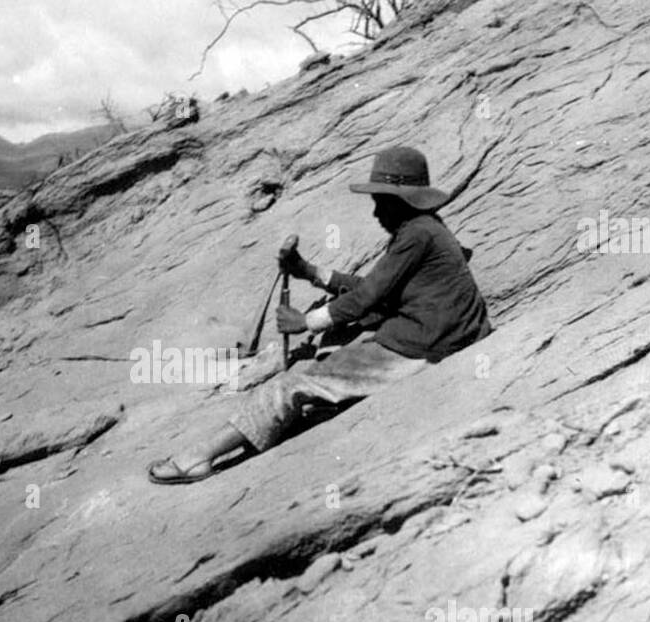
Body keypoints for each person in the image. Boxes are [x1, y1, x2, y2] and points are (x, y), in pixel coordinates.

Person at [148, 146, 493, 484]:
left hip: (423, 347)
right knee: (337, 348)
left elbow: (366, 298)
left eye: (379, 202)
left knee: (291, 384)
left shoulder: (415, 235)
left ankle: (197, 457)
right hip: (447, 335)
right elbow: (376, 286)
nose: (375, 214)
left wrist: (305, 322)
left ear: (398, 200)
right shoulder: (427, 228)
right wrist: (309, 271)